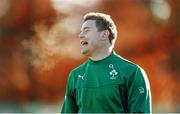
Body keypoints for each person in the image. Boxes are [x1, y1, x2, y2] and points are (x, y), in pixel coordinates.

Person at [61, 12, 152, 113]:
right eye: (81, 31)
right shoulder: (75, 75)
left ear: (104, 34)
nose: (80, 35)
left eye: (86, 31)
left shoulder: (132, 72)